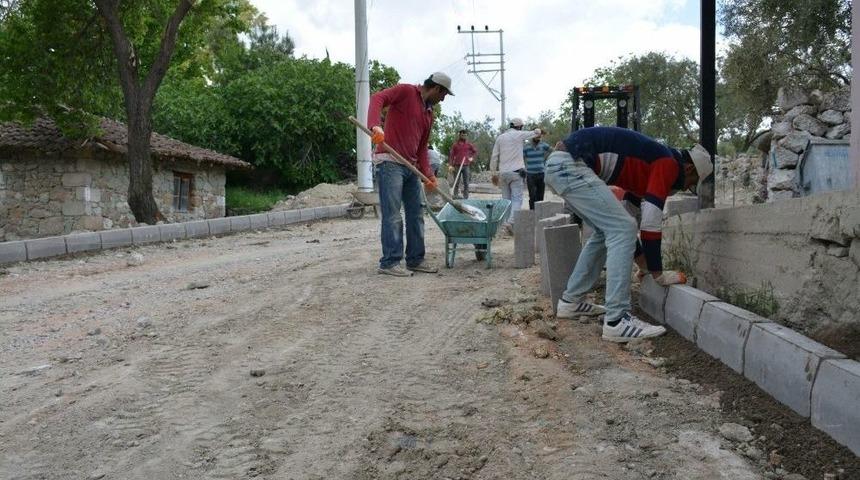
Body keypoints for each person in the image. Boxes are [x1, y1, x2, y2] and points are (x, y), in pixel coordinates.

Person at [545, 126, 712, 343]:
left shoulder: (645, 168)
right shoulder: (668, 163)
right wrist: (657, 272)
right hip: (570, 165)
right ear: (688, 169)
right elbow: (649, 222)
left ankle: (571, 302)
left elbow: (627, 220)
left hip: (561, 166)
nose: (684, 189)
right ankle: (617, 320)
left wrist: (644, 266)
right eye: (690, 184)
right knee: (621, 228)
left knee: (607, 231)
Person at [367, 72, 453, 277]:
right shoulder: (406, 92)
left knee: (416, 214)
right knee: (393, 215)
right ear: (436, 89)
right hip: (390, 163)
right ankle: (390, 262)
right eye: (443, 95)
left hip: (410, 167)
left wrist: (429, 175)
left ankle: (415, 259)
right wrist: (376, 125)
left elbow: (422, 148)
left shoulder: (428, 114)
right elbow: (377, 98)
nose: (443, 99)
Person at [489, 118, 542, 233]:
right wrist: (538, 129)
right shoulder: (519, 135)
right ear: (520, 127)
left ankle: (507, 225)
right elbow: (537, 133)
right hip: (517, 173)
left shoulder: (500, 137)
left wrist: (493, 173)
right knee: (517, 199)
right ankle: (510, 222)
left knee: (506, 200)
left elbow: (494, 156)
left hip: (503, 173)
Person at [523, 129, 551, 209]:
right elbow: (521, 158)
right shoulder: (526, 146)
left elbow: (553, 151)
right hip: (530, 174)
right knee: (532, 195)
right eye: (537, 135)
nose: (539, 137)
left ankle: (540, 214)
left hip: (541, 174)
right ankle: (532, 213)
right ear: (533, 135)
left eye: (540, 135)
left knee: (540, 196)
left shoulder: (543, 145)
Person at [448, 129, 477, 199]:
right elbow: (451, 155)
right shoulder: (455, 145)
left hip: (466, 165)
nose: (463, 136)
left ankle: (465, 197)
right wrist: (450, 165)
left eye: (465, 135)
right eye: (462, 135)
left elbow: (474, 151)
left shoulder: (469, 145)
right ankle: (455, 195)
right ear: (459, 135)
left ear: (466, 136)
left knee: (466, 182)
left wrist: (471, 158)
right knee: (456, 182)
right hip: (457, 165)